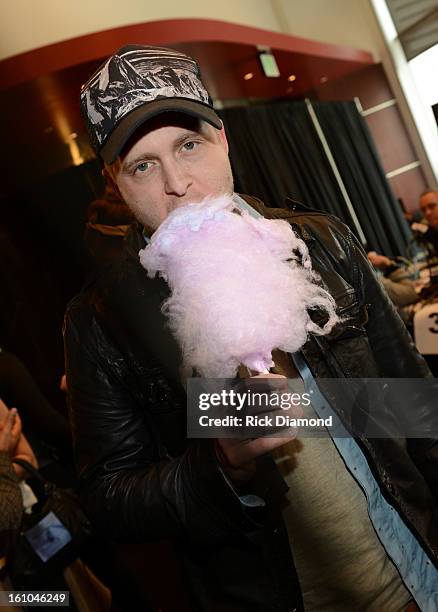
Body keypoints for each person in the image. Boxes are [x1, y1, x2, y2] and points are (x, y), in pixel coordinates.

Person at [65, 45, 438, 612]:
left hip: (414, 568)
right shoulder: (103, 321)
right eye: (143, 165)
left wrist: (330, 407)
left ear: (223, 140)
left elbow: (417, 409)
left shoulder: (322, 243)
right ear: (116, 182)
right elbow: (110, 498)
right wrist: (219, 464)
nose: (178, 184)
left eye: (189, 145)